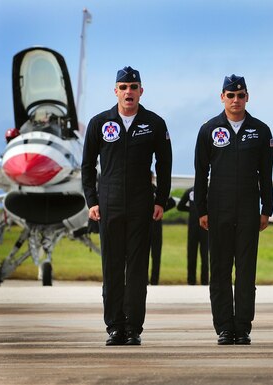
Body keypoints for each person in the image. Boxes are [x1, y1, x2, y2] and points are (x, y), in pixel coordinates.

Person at [81, 66, 172, 346]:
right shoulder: (100, 123)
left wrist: (160, 201)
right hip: (109, 205)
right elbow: (86, 166)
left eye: (133, 87)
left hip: (141, 205)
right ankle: (114, 327)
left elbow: (165, 165)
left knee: (135, 268)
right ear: (116, 91)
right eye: (123, 87)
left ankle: (133, 327)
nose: (128, 92)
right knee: (111, 267)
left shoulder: (154, 123)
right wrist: (92, 202)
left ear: (141, 91)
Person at [194, 75, 273, 345]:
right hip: (218, 209)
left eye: (240, 95)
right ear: (222, 97)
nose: (236, 100)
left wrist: (268, 208)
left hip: (249, 209)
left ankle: (242, 326)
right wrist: (201, 209)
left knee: (245, 271)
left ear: (247, 97)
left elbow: (266, 172)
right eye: (231, 96)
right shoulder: (209, 130)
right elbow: (200, 173)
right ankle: (224, 327)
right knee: (219, 270)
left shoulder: (261, 131)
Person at [177, 186, 209, 285]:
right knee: (204, 255)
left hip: (194, 227)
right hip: (205, 227)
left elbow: (180, 206)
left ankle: (191, 281)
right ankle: (204, 281)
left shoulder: (190, 191)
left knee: (193, 254)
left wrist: (191, 209)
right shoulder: (208, 190)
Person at [149, 176, 176, 285]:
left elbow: (172, 202)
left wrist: (161, 209)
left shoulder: (157, 190)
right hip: (143, 226)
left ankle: (154, 280)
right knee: (142, 254)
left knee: (156, 254)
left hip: (156, 225)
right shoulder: (142, 190)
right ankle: (143, 279)